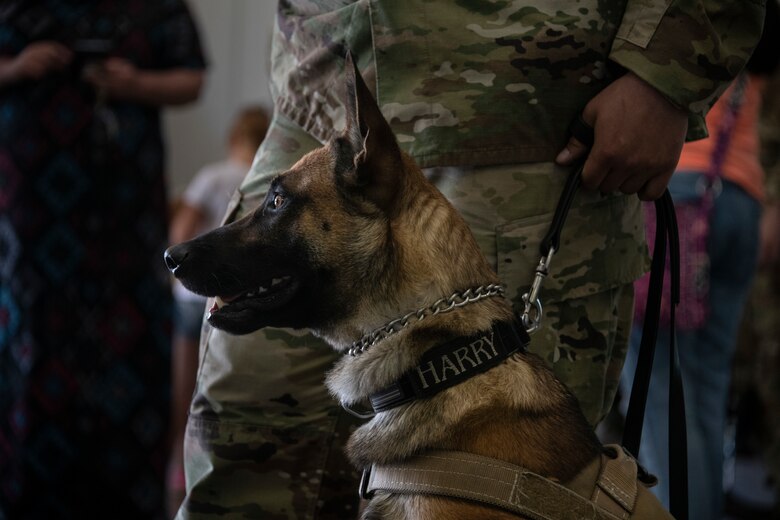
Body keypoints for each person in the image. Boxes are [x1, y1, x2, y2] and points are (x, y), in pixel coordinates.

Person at [175, 1, 765, 518]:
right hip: (318, 90)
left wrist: (665, 72)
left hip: (528, 118)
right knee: (242, 462)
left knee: (504, 489)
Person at [0, 1, 206, 518]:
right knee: (31, 332)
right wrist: (18, 68)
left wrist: (133, 82)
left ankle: (128, 498)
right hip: (29, 207)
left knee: (130, 333)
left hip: (124, 206)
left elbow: (192, 79)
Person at [619, 4, 780, 518]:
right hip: (740, 202)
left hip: (681, 198)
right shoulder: (746, 16)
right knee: (704, 395)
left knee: (662, 400)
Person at [166, 105, 269, 516]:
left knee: (183, 401)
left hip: (191, 304)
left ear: (232, 139)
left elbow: (179, 234)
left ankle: (176, 483)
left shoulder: (212, 175)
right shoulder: (264, 182)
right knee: (218, 395)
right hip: (234, 302)